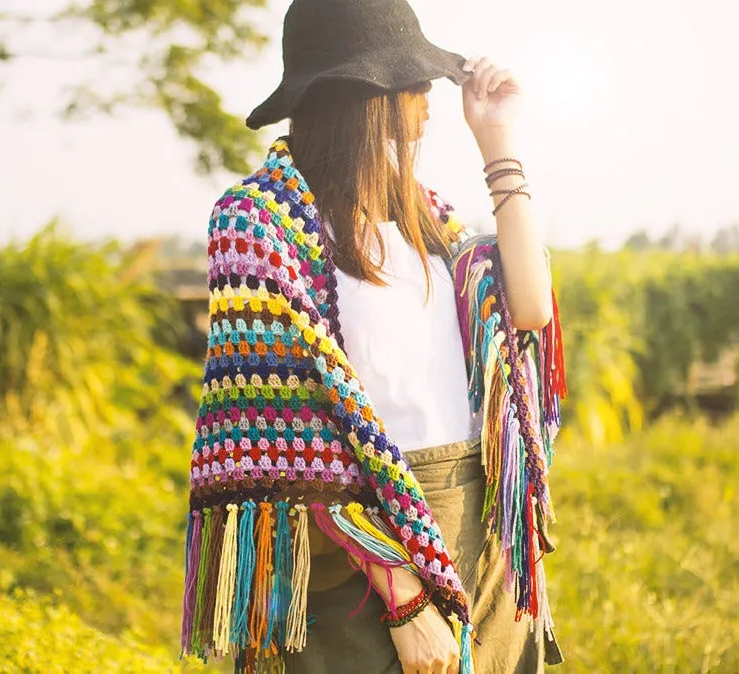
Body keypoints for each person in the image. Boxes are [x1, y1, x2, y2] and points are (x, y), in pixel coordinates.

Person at [178, 0, 567, 672]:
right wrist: (405, 602)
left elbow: (530, 310)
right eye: (414, 81)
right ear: (372, 93)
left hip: (480, 542)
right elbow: (290, 438)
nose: (427, 98)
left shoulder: (427, 218)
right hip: (361, 560)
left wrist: (498, 144)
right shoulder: (258, 224)